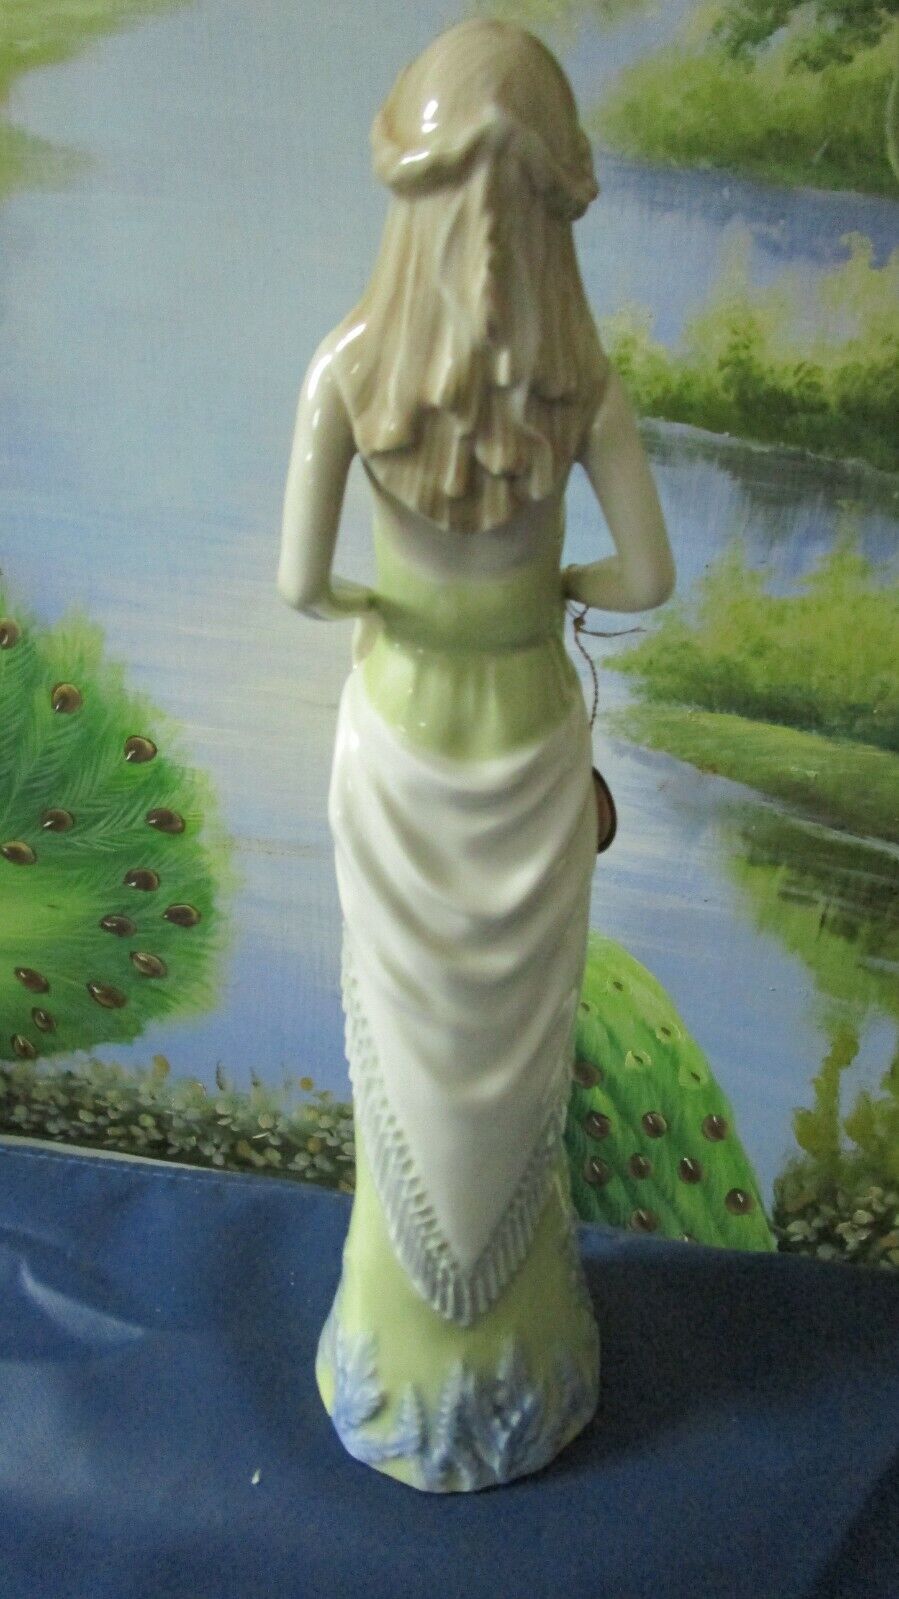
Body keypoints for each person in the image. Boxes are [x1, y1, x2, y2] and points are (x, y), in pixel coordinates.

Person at [277, 18, 674, 1492]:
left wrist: (393, 611)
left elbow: (301, 588)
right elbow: (648, 578)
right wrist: (550, 593)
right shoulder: (585, 382)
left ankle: (394, 1370)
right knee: (512, 1077)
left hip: (400, 743)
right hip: (527, 737)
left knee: (407, 1061)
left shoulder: (347, 370)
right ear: (558, 204)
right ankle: (529, 1366)